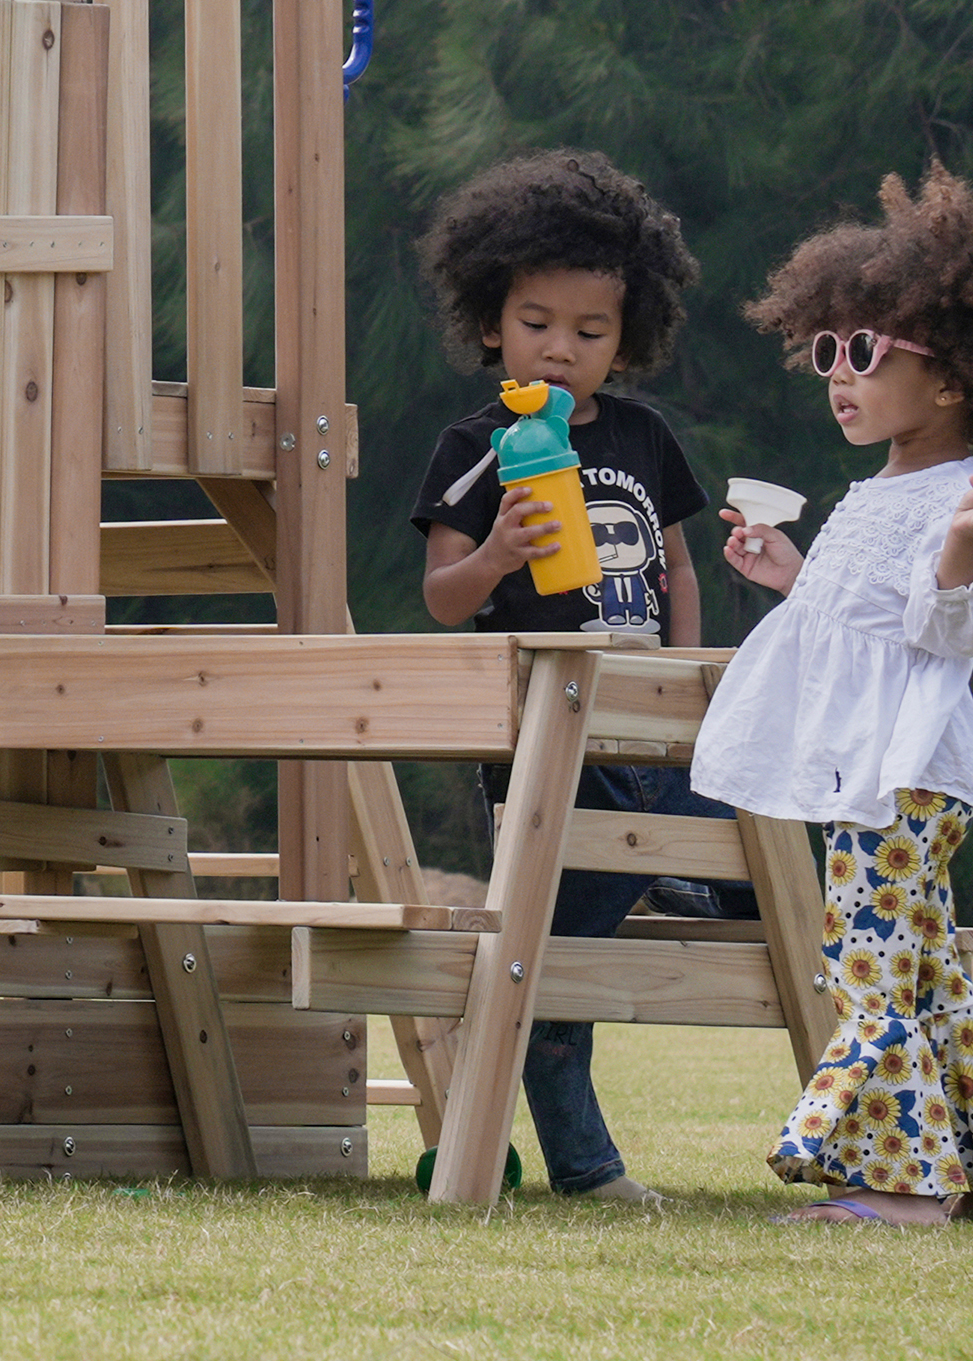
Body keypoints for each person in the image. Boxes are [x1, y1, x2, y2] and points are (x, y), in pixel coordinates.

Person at [704, 163, 973, 1227]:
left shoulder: (960, 498)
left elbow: (946, 629)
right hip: (875, 770)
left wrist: (967, 544)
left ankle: (897, 1189)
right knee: (923, 971)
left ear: (952, 382)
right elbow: (863, 625)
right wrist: (791, 576)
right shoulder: (877, 489)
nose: (837, 375)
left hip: (901, 777)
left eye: (865, 353)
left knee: (869, 969)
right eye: (827, 353)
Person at [405, 147, 738, 1206]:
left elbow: (677, 565)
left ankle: (678, 878)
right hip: (546, 742)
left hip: (651, 728)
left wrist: (687, 682)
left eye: (590, 333)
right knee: (550, 961)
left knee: (762, 869)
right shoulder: (477, 444)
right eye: (537, 323)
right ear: (490, 324)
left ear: (625, 341)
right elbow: (443, 596)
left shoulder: (643, 435)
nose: (560, 349)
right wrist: (498, 554)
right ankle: (587, 1170)